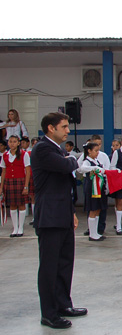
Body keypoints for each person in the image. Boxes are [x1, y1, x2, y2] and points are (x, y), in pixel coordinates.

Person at [32, 112, 86, 329]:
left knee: (65, 263)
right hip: (49, 216)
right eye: (63, 127)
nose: (67, 130)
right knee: (49, 266)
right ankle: (49, 313)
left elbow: (65, 183)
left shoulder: (58, 150)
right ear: (50, 129)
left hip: (62, 213)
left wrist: (71, 212)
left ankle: (63, 304)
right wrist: (71, 159)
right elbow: (66, 167)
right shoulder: (42, 149)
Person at [78, 135, 111, 236]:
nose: (98, 153)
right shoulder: (87, 161)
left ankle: (96, 231)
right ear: (89, 151)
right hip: (92, 187)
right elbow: (82, 168)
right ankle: (92, 233)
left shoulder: (97, 160)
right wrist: (94, 168)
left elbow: (105, 170)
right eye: (95, 151)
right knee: (92, 209)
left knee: (98, 209)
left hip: (99, 186)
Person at [0, 135, 30, 237]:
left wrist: (26, 186)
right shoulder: (5, 155)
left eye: (14, 141)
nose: (12, 143)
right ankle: (15, 228)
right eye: (10, 142)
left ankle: (20, 228)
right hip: (9, 182)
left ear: (18, 143)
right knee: (12, 205)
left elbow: (28, 170)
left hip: (20, 181)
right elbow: (3, 171)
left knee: (21, 205)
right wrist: (1, 186)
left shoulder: (24, 154)